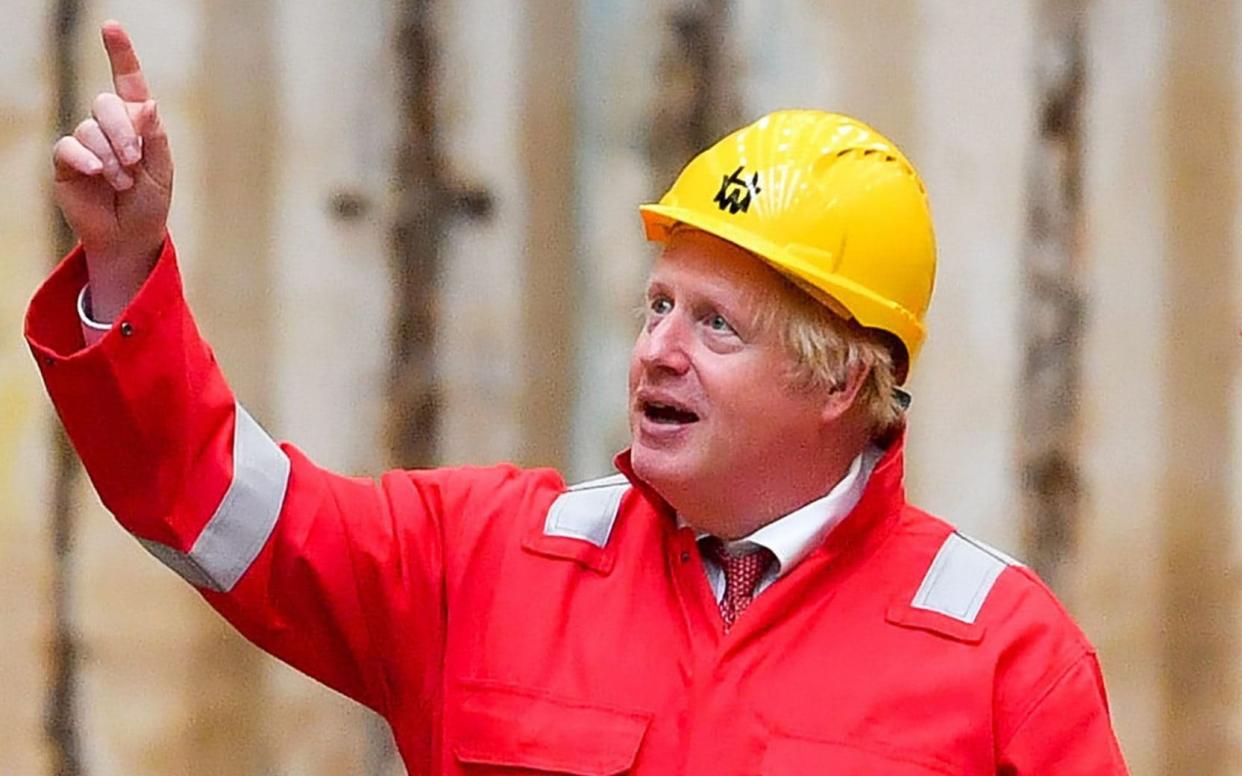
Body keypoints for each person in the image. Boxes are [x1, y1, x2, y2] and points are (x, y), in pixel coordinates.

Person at [29, 21, 1129, 775]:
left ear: (843, 378)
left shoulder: (1004, 659)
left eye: (717, 326)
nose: (657, 350)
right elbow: (214, 501)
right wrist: (124, 269)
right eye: (658, 304)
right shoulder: (481, 560)